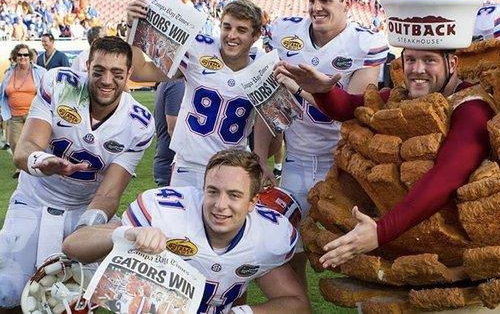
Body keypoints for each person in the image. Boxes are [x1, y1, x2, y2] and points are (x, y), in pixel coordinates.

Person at [274, 0, 495, 269]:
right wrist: (324, 90)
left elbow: (446, 176)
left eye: (429, 61)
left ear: (453, 64)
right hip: (404, 231)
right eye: (411, 59)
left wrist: (381, 231)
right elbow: (352, 107)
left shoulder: (471, 107)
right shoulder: (402, 95)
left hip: (449, 245)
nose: (417, 70)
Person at [254, 0, 389, 288]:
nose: (316, 7)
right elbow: (267, 100)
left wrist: (303, 88)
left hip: (342, 165)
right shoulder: (286, 32)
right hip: (296, 160)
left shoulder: (364, 42)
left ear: (348, 3)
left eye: (326, 0)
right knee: (288, 251)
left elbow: (354, 108)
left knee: (357, 254)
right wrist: (260, 156)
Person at [0, 36, 155, 312]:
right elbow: (25, 148)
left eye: (117, 73)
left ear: (129, 74)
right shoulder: (64, 87)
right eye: (99, 71)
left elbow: (109, 193)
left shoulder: (137, 122)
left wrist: (86, 232)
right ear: (87, 67)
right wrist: (43, 161)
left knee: (79, 297)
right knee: (8, 292)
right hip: (35, 198)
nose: (107, 80)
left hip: (84, 208)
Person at [62, 149, 311, 314]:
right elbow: (72, 245)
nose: (220, 205)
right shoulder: (168, 214)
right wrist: (127, 234)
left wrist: (242, 313)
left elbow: (296, 304)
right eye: (212, 191)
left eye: (234, 195)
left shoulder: (268, 236)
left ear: (252, 203)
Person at [127, 0, 269, 188]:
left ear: (256, 35)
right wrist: (133, 25)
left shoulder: (263, 67)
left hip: (232, 169)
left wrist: (261, 158)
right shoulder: (199, 51)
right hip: (188, 166)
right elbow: (139, 71)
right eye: (227, 27)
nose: (231, 35)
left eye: (241, 30)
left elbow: (265, 120)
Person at [0, 45, 46, 177]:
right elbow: (3, 93)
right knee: (15, 143)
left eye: (26, 55)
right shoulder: (9, 73)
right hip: (14, 115)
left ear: (30, 57)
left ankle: (33, 166)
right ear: (15, 57)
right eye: (20, 55)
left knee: (34, 142)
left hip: (34, 115)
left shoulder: (40, 72)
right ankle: (21, 167)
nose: (23, 57)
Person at [153, 59, 184, 187]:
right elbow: (173, 128)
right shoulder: (177, 82)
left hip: (169, 162)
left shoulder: (172, 80)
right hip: (173, 165)